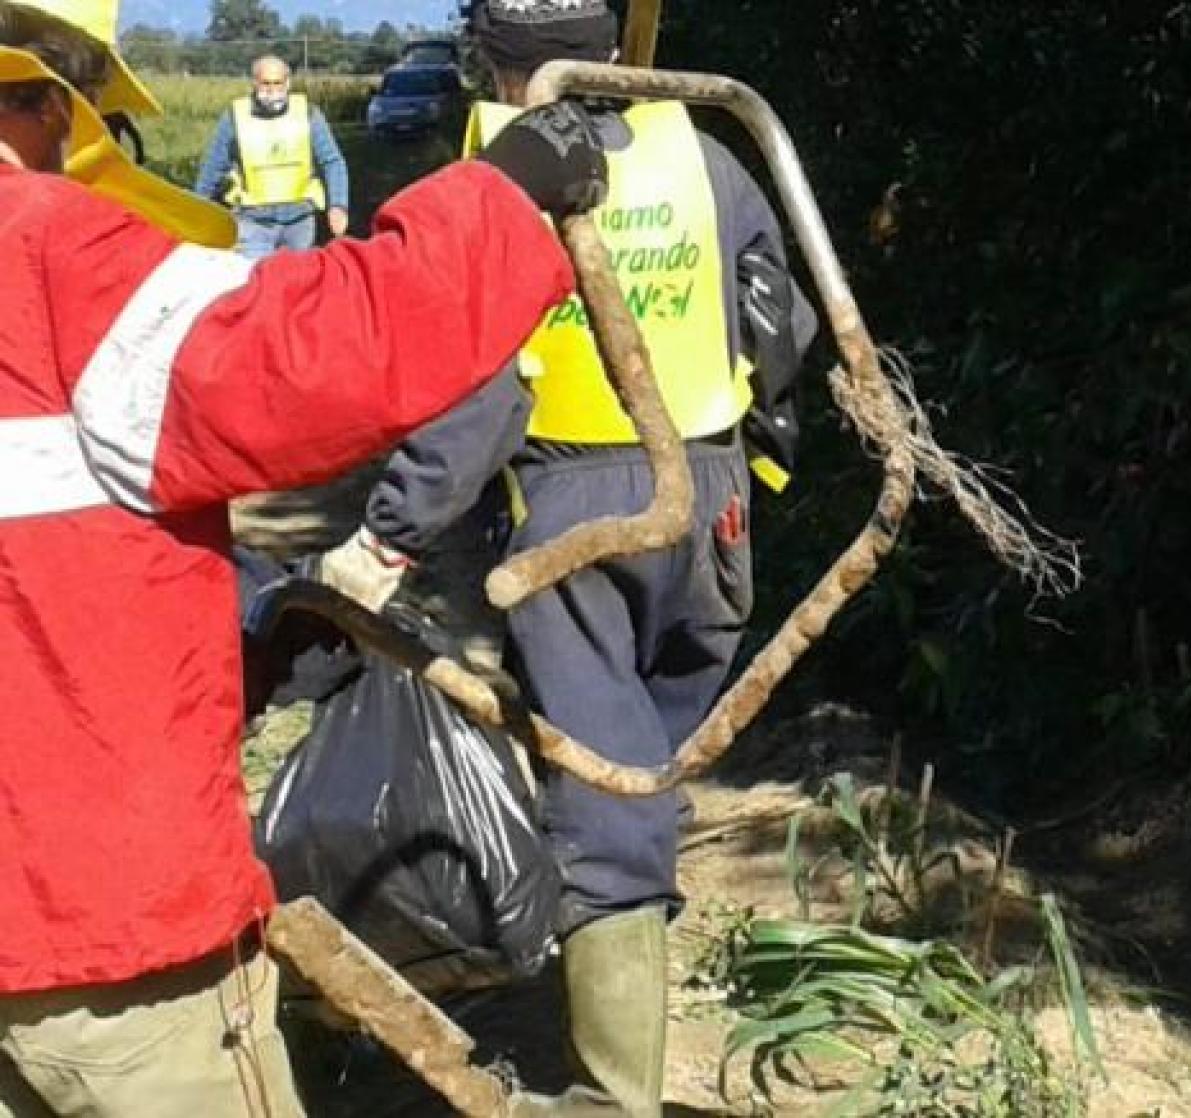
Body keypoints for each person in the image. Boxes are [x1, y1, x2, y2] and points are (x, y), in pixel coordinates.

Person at [0, 0, 608, 1112]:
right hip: (87, 927)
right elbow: (302, 359)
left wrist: (247, 631)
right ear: (44, 107)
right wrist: (503, 195)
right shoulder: (39, 243)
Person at [320, 2, 818, 1113]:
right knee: (648, 756)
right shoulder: (705, 151)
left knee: (606, 796)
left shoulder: (499, 180)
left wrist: (389, 536)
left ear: (494, 64)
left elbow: (479, 393)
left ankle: (612, 1094)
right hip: (710, 504)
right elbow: (776, 322)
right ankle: (617, 937)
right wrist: (757, 467)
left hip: (570, 516)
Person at [194, 54, 350, 258]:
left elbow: (332, 162)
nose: (272, 90)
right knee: (257, 276)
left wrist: (338, 205)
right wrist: (197, 211)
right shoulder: (235, 116)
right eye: (265, 83)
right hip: (253, 221)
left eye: (278, 83)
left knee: (297, 277)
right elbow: (214, 166)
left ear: (288, 83)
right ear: (254, 82)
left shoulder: (308, 114)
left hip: (299, 221)